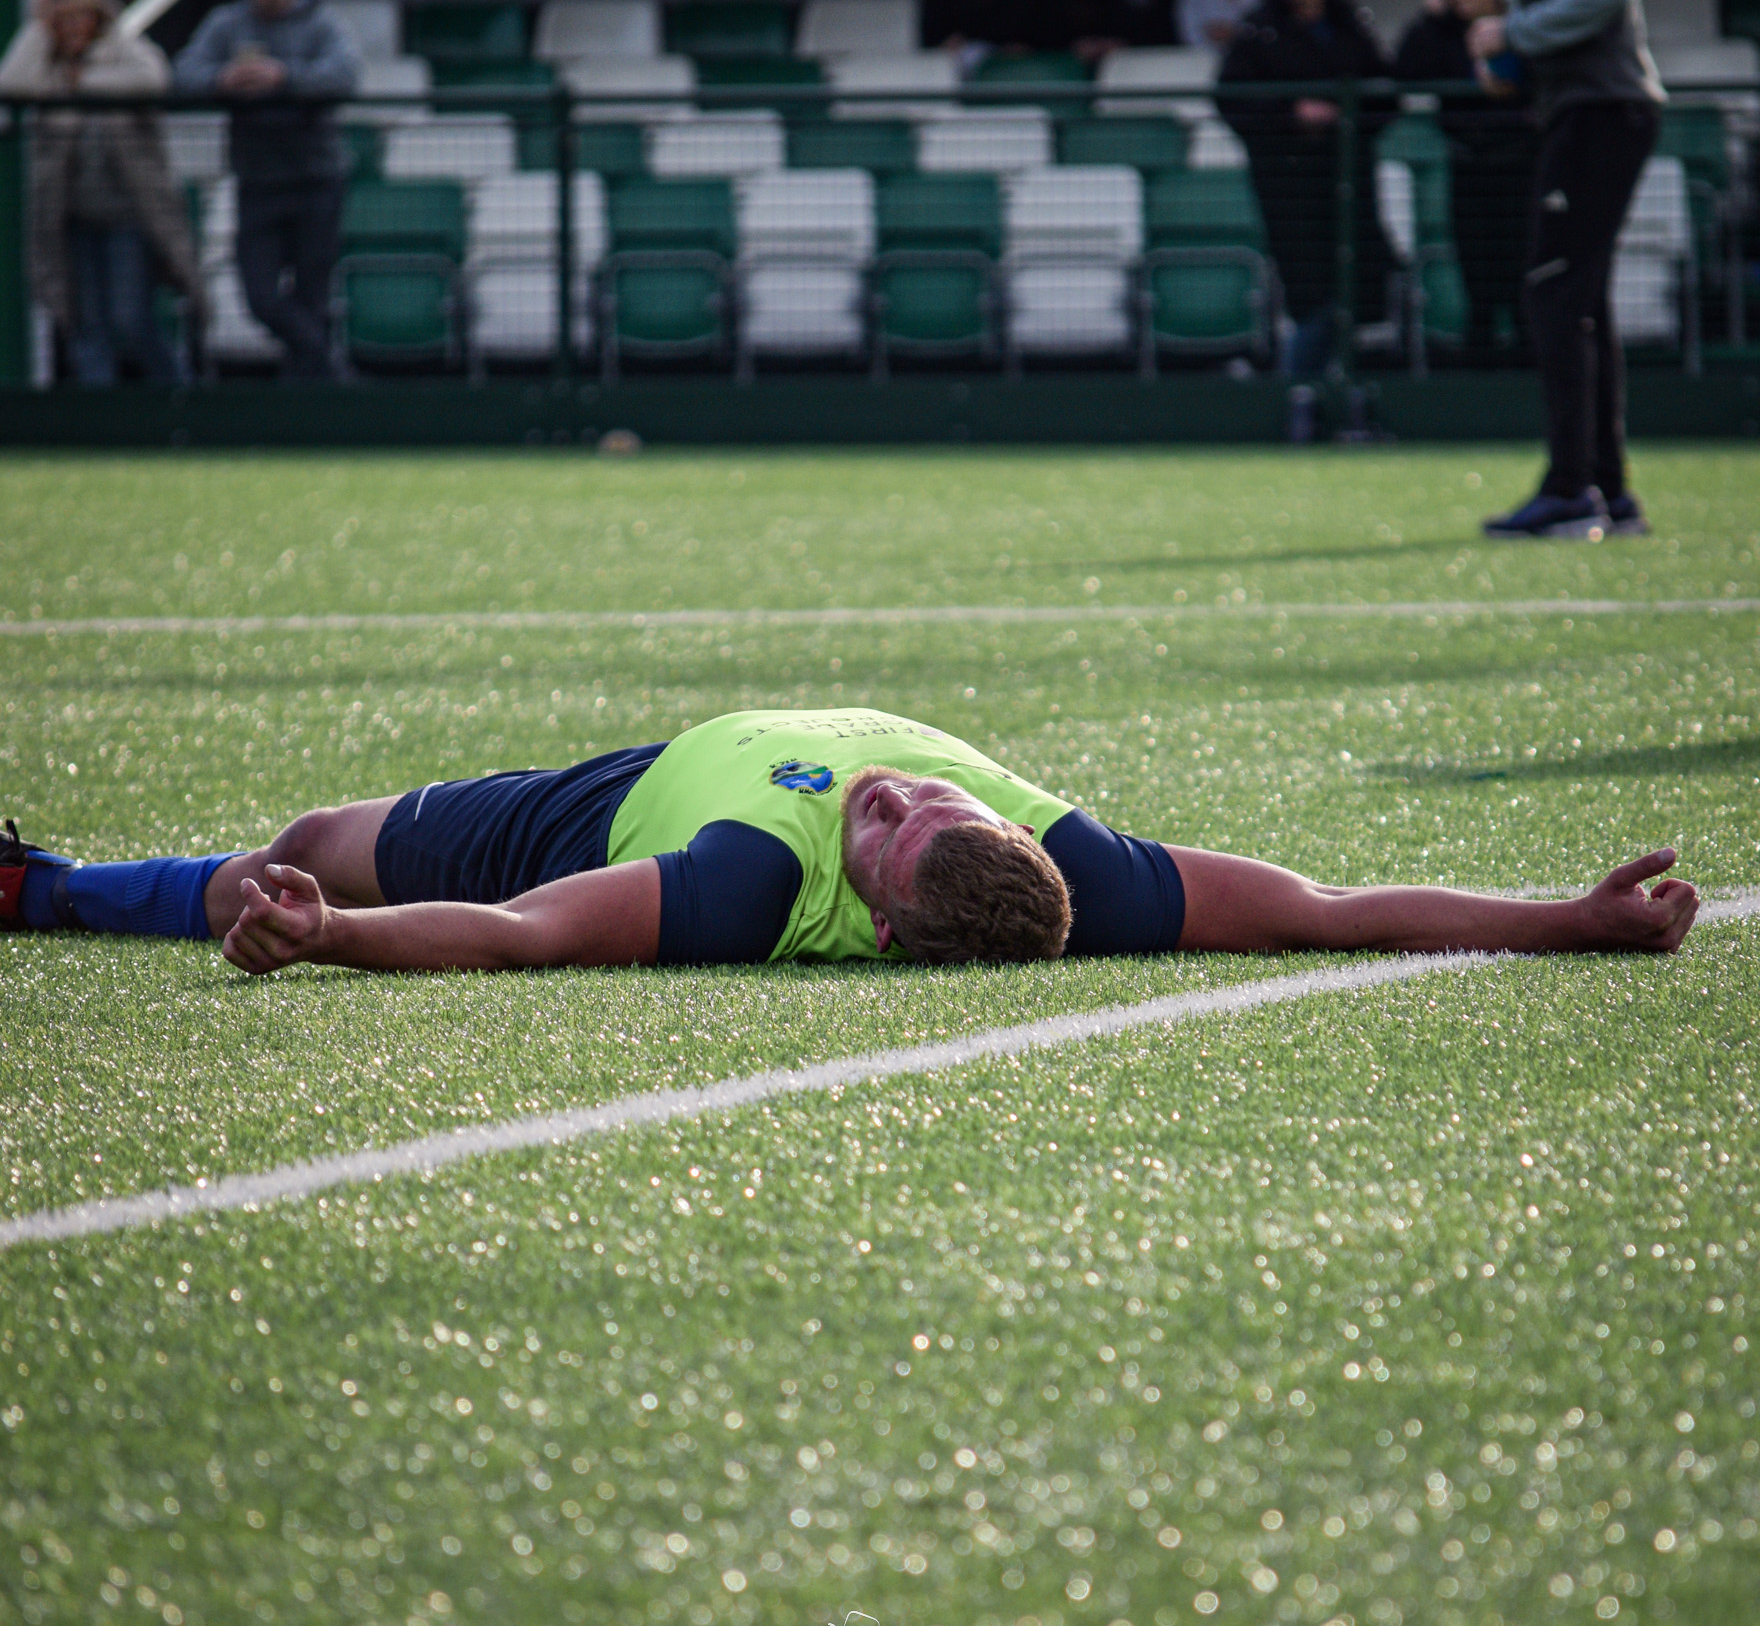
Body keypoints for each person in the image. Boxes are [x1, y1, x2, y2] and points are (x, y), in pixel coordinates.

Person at [2, 705, 1697, 972]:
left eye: (885, 828)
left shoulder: (749, 881)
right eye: (920, 803)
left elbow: (529, 941)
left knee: (308, 839)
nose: (896, 797)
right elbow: (1330, 908)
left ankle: (53, 893)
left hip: (619, 798)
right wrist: (1569, 916)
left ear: (866, 912)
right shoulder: (1077, 872)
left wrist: (334, 934)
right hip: (693, 756)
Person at [1460, 0, 1664, 540]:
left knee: (1553, 293)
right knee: (1578, 300)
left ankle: (1571, 488)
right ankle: (1609, 494)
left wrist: (1514, 31)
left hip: (1602, 108)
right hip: (1581, 107)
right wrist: (1510, 59)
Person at [1218, 0, 1397, 433]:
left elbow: (1387, 94)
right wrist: (1291, 113)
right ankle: (1300, 399)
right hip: (1288, 186)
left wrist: (1343, 114)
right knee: (1312, 292)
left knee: (1358, 287)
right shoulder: (1258, 30)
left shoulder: (1350, 23)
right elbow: (1231, 101)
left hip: (1348, 183)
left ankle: (1346, 401)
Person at [0, 0, 201, 386]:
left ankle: (181, 403)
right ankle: (101, 422)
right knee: (84, 324)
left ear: (96, 15)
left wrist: (81, 83)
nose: (72, 27)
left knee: (131, 319)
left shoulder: (121, 50)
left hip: (129, 217)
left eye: (80, 16)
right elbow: (12, 82)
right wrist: (38, 26)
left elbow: (153, 78)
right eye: (62, 19)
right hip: (72, 219)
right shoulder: (48, 68)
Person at [174, 0, 360, 380]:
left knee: (313, 295)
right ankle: (334, 372)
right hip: (256, 181)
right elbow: (182, 74)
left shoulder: (321, 22)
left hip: (317, 180)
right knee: (260, 297)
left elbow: (344, 75)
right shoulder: (225, 24)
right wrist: (224, 80)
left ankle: (305, 407)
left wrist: (282, 78)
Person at [1393, 0, 1539, 361]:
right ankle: (1480, 368)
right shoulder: (1441, 35)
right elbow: (1405, 73)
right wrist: (1430, 16)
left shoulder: (1522, 26)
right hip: (1468, 166)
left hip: (1519, 167)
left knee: (1521, 276)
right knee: (1476, 277)